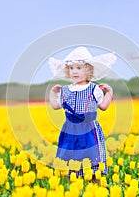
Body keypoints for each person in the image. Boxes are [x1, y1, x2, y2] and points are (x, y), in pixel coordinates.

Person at [48, 46, 116, 179]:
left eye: (79, 68)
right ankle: (72, 182)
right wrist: (52, 93)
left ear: (88, 70)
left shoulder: (94, 89)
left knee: (92, 158)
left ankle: (95, 183)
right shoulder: (65, 90)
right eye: (71, 68)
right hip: (70, 129)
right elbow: (55, 106)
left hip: (89, 128)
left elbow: (103, 106)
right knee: (69, 156)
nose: (74, 71)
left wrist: (109, 93)